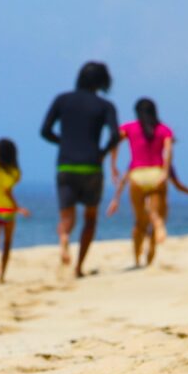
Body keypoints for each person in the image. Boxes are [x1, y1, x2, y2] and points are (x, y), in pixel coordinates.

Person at [107, 98, 188, 267]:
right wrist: (165, 171)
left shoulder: (129, 128)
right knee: (157, 214)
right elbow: (169, 153)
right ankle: (157, 226)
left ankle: (136, 260)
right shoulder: (164, 130)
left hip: (137, 175)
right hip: (157, 174)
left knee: (139, 222)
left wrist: (113, 168)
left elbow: (114, 142)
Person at [40, 61, 120, 277]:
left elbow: (45, 131)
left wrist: (64, 142)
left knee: (66, 218)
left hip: (65, 164)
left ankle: (64, 238)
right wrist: (101, 153)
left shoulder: (62, 100)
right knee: (90, 218)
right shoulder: (105, 106)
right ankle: (79, 266)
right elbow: (115, 136)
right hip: (91, 166)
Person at [0, 138, 30, 283]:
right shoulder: (15, 172)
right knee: (7, 243)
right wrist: (18, 208)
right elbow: (7, 191)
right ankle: (1, 274)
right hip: (8, 210)